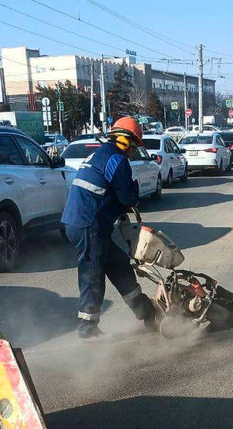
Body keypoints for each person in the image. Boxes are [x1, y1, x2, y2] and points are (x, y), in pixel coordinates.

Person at [61, 116, 158, 338]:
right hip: (87, 224)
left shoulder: (100, 154)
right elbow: (127, 197)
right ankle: (87, 329)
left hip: (87, 222)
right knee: (92, 274)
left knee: (119, 266)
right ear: (125, 141)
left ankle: (147, 313)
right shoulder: (116, 159)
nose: (133, 151)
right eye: (133, 146)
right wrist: (131, 193)